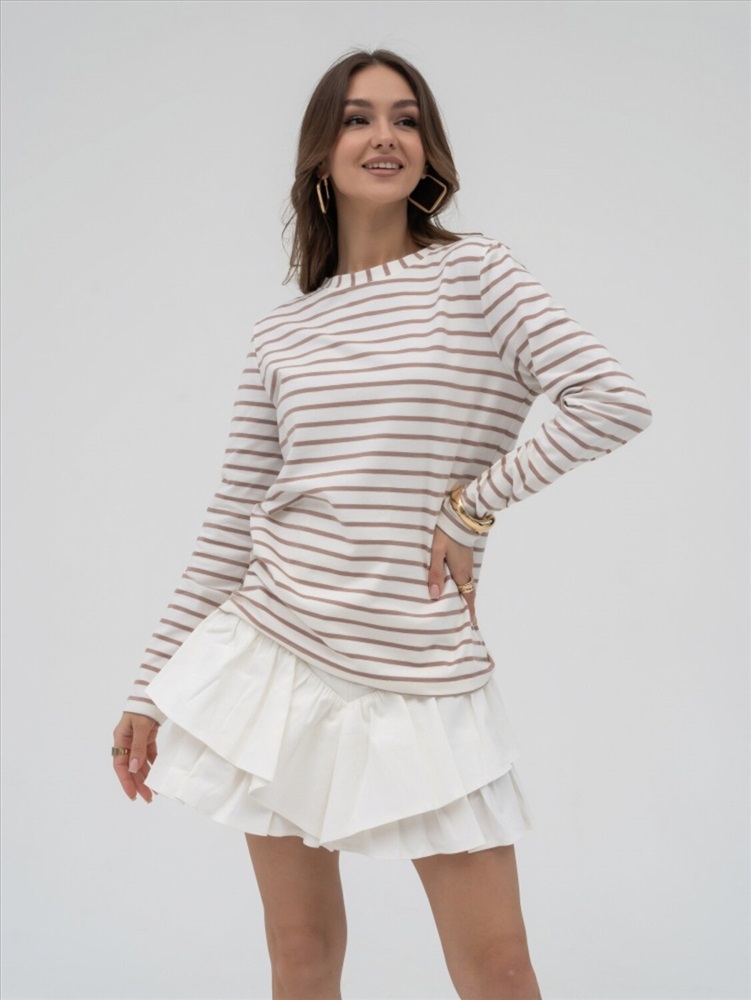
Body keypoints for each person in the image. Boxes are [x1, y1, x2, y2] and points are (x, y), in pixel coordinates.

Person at [112, 47, 652, 1000]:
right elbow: (233, 516)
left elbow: (610, 400)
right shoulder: (281, 331)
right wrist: (150, 687)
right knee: (302, 954)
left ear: (429, 149)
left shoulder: (475, 272)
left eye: (406, 118)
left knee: (499, 968)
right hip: (275, 652)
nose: (384, 136)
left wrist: (472, 505)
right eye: (358, 118)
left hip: (420, 662)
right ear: (320, 152)